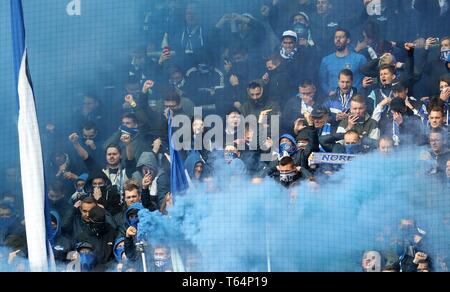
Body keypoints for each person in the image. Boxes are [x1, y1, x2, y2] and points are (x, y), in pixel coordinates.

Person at [319, 28, 367, 96]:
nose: (338, 40)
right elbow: (322, 81)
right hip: (333, 101)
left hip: (354, 101)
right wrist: (329, 92)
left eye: (341, 37)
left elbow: (368, 79)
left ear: (348, 40)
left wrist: (360, 89)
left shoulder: (359, 59)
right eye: (336, 37)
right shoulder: (326, 60)